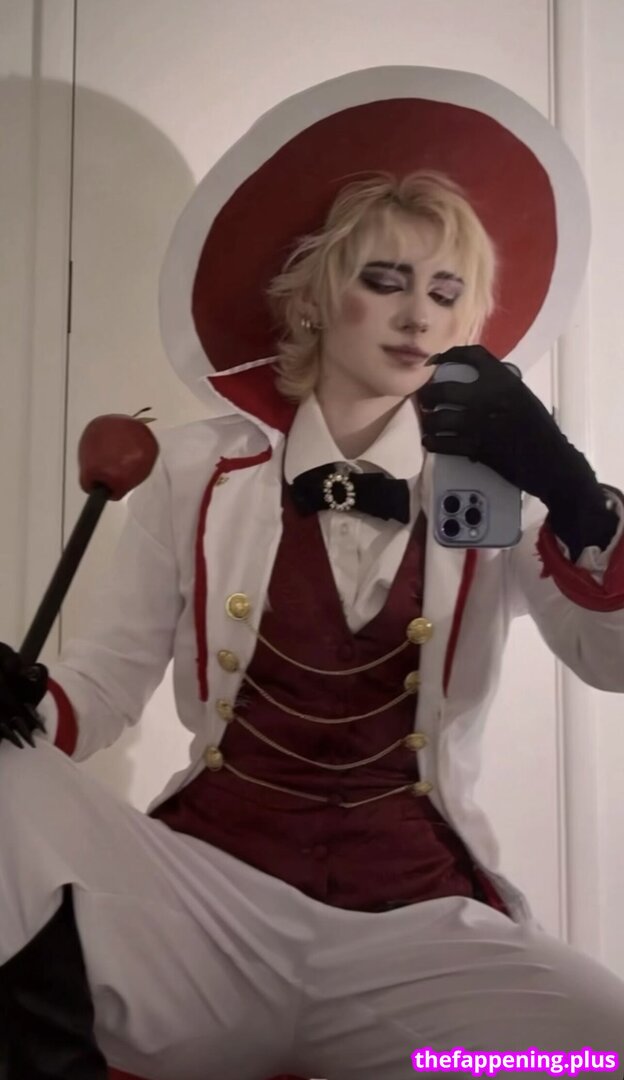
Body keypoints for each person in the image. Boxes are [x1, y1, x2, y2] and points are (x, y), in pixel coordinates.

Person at [1, 67, 624, 1080]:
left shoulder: (503, 493)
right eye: (386, 280)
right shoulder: (196, 469)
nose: (418, 316)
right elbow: (105, 686)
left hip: (414, 935)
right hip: (205, 908)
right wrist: (22, 703)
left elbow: (611, 662)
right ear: (315, 298)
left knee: (596, 1050)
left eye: (445, 293)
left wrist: (580, 497)